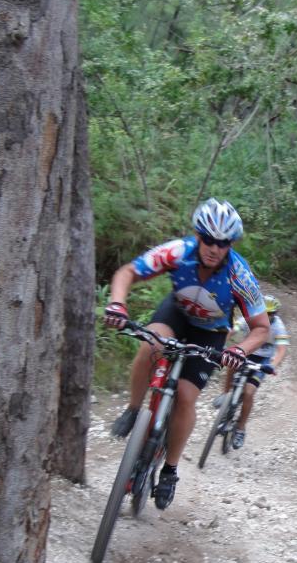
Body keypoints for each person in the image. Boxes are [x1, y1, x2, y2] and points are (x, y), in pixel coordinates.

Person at [104, 198, 270, 509]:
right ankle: (133, 408)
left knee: (185, 395)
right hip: (177, 313)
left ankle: (169, 470)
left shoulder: (240, 275)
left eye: (222, 243)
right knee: (151, 345)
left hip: (210, 331)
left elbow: (261, 328)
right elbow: (128, 272)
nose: (214, 248)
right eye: (208, 239)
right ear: (198, 235)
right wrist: (117, 303)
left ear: (230, 244)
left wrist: (238, 349)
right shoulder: (179, 252)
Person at [216, 294, 289, 450]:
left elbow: (282, 350)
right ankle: (225, 393)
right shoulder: (251, 319)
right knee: (232, 363)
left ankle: (241, 428)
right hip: (248, 351)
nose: (266, 316)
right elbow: (235, 329)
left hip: (263, 361)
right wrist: (222, 344)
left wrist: (273, 365)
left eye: (270, 314)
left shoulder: (279, 327)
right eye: (264, 312)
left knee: (249, 392)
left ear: (274, 314)